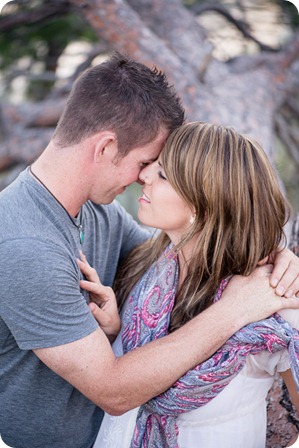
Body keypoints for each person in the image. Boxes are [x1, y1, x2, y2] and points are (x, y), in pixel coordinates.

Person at [0, 54, 299, 448]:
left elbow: (196, 257)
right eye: (145, 162)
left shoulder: (97, 212)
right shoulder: (25, 245)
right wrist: (238, 308)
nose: (143, 176)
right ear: (106, 147)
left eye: (159, 170)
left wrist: (276, 257)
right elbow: (114, 390)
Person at [78, 121, 299, 448]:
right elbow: (131, 379)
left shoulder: (271, 303)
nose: (144, 176)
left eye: (163, 175)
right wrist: (116, 332)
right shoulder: (147, 269)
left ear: (204, 203)